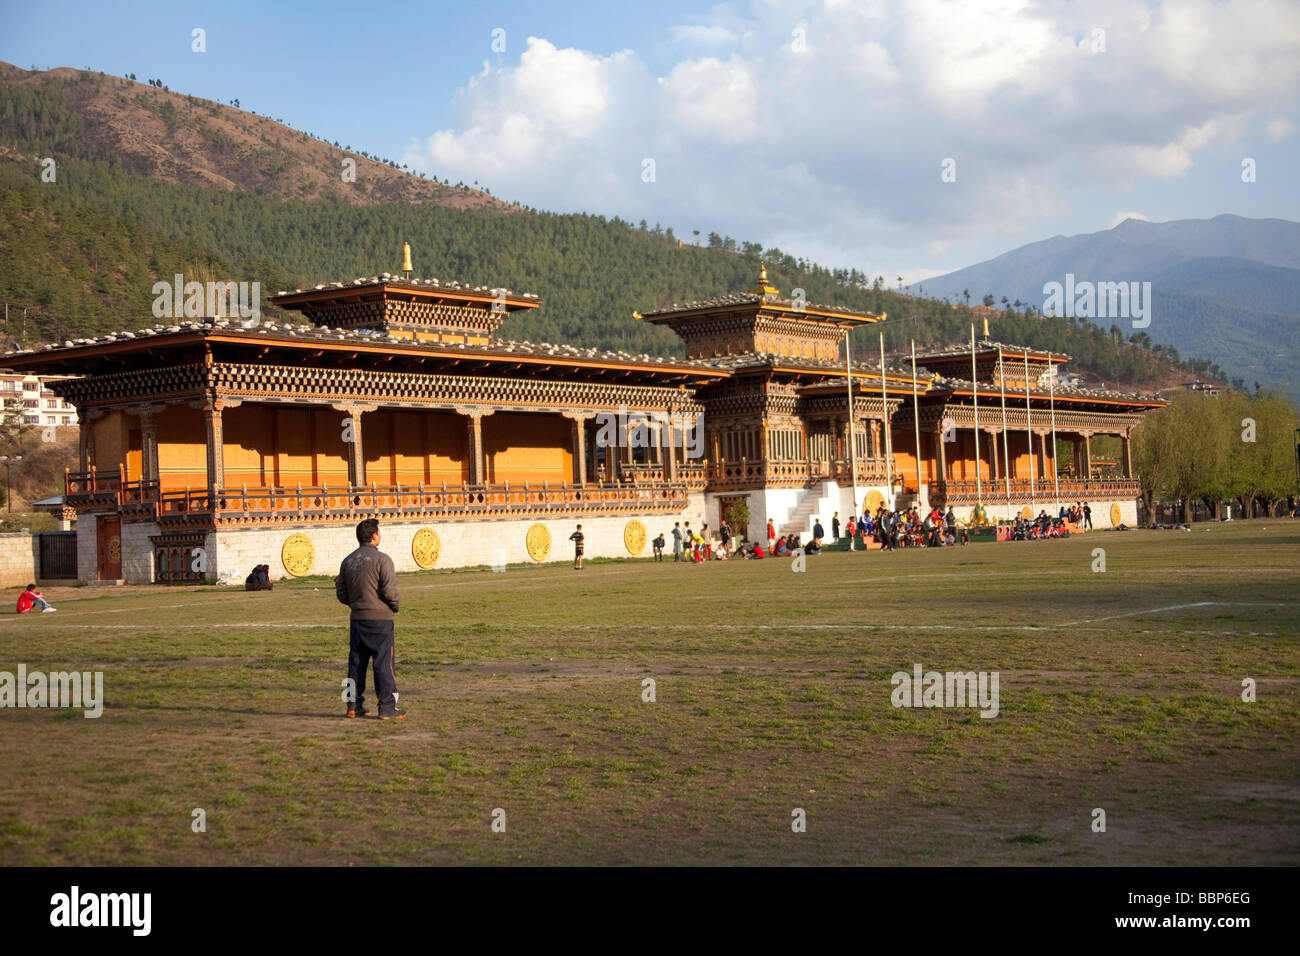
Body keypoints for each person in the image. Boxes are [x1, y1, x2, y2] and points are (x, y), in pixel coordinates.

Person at [336, 518, 404, 720]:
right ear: (374, 536)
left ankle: (352, 705)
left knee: (355, 663)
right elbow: (389, 591)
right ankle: (387, 707)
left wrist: (356, 604)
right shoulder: (383, 560)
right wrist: (395, 606)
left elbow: (341, 593)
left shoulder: (347, 561)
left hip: (357, 619)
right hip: (380, 620)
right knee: (383, 664)